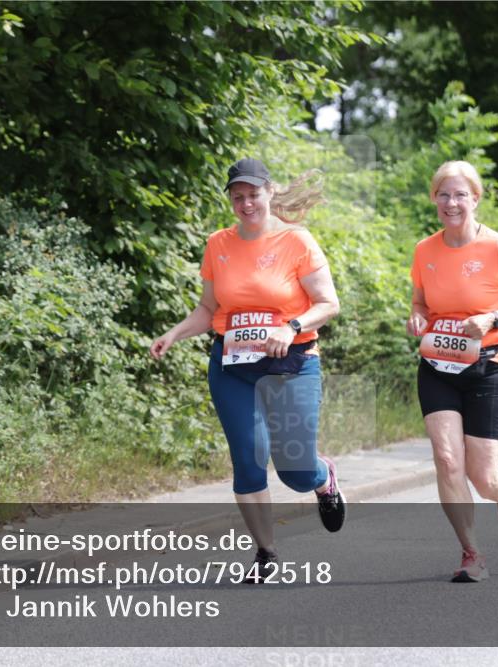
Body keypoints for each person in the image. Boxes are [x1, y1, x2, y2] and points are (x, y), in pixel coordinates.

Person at [150, 158, 345, 582]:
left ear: (269, 192)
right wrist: (174, 334)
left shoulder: (298, 241)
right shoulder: (218, 243)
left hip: (290, 364)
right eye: (237, 197)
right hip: (233, 367)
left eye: (253, 194)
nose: (246, 203)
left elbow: (328, 304)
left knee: (294, 470)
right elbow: (208, 309)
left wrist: (291, 327)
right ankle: (267, 553)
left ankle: (322, 477)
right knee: (248, 460)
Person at [407, 160, 498, 583]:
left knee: (484, 476)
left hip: (487, 368)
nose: (451, 203)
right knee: (447, 460)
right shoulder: (425, 250)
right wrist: (417, 319)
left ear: (475, 198)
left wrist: (492, 320)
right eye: (443, 194)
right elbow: (421, 304)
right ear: (434, 199)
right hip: (438, 366)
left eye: (460, 194)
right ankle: (471, 554)